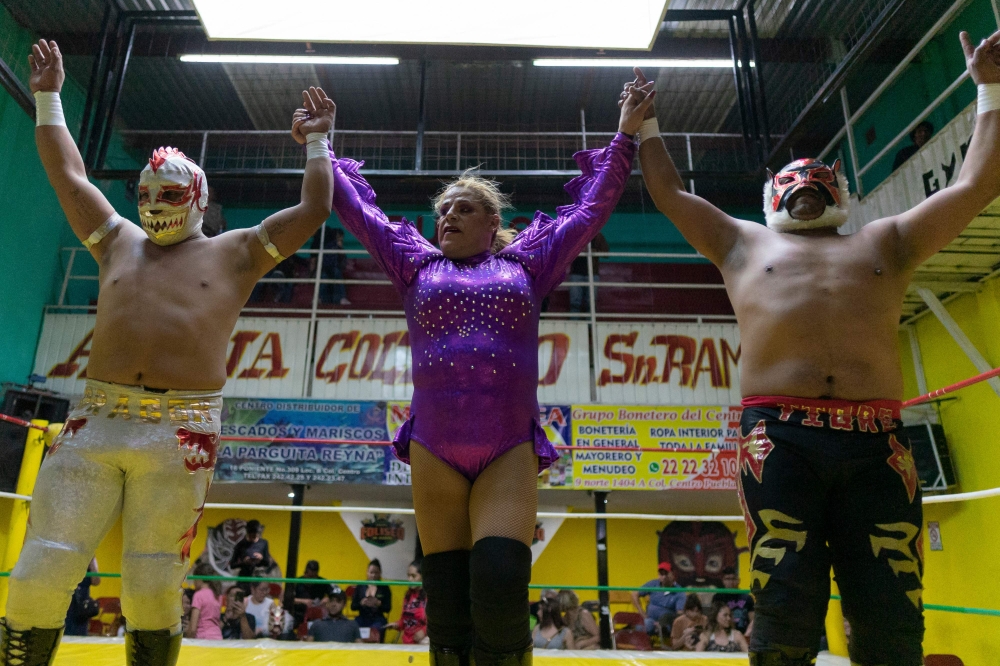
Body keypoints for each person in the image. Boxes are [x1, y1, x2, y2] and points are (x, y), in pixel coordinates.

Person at [627, 27, 1000, 666]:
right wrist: (648, 125)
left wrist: (989, 89)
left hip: (875, 437)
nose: (804, 184)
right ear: (773, 193)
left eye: (816, 177)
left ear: (840, 189)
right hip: (779, 436)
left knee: (892, 603)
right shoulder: (742, 243)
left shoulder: (886, 241)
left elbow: (975, 187)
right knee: (784, 603)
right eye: (791, 180)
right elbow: (670, 195)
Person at [1, 38, 335, 666]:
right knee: (41, 568)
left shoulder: (237, 253)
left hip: (183, 429)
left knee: (154, 586)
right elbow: (67, 174)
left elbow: (315, 208)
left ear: (199, 197)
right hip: (94, 419)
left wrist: (318, 143)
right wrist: (48, 97)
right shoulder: (114, 241)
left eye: (169, 195)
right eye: (147, 194)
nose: (154, 206)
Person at [320, 79, 649, 666]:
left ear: (493, 220)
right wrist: (320, 143)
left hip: (505, 447)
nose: (447, 216)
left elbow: (592, 208)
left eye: (463, 208)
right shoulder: (413, 264)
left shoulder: (530, 262)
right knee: (446, 605)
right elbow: (358, 210)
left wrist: (625, 133)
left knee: (498, 583)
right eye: (442, 209)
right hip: (434, 448)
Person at [631, 562, 686, 638]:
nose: (663, 577)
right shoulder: (653, 584)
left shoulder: (679, 592)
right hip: (650, 619)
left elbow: (680, 614)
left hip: (667, 623)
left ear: (672, 575)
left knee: (651, 625)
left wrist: (663, 622)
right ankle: (643, 647)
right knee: (643, 625)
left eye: (666, 573)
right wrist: (642, 614)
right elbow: (634, 594)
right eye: (660, 574)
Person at [385, 560, 428, 645]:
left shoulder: (429, 596)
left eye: (413, 576)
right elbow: (403, 621)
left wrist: (424, 631)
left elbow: (436, 624)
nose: (409, 579)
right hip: (407, 642)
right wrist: (396, 625)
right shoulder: (408, 595)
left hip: (423, 642)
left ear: (422, 576)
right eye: (408, 576)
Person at [350, 558, 392, 642]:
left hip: (378, 619)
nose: (373, 575)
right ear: (367, 572)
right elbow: (353, 606)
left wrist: (378, 604)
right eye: (371, 572)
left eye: (376, 573)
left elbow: (388, 608)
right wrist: (361, 603)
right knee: (352, 627)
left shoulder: (385, 588)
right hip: (362, 618)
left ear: (380, 573)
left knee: (374, 632)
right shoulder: (360, 586)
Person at [567, 231, 608, 314]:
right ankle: (576, 325)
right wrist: (577, 250)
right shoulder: (574, 236)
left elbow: (606, 253)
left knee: (590, 303)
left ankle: (589, 326)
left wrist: (593, 252)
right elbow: (565, 252)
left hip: (591, 274)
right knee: (575, 303)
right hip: (577, 273)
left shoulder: (597, 236)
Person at [230, 520, 275, 590]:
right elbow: (232, 564)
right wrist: (244, 562)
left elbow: (267, 563)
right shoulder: (240, 544)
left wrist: (260, 559)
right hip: (244, 578)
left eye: (255, 535)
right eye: (251, 535)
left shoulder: (263, 543)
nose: (253, 538)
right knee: (242, 597)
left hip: (258, 578)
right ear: (247, 533)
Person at [312, 226, 351, 305]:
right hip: (326, 269)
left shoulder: (333, 246)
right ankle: (320, 298)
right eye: (340, 238)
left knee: (333, 275)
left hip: (330, 269)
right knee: (326, 277)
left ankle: (320, 298)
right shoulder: (329, 245)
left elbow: (342, 261)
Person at [711, 568, 754, 638]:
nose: (731, 582)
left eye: (733, 579)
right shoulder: (717, 597)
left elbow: (753, 620)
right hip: (723, 636)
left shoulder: (747, 598)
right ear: (723, 581)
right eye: (727, 579)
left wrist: (746, 636)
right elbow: (713, 620)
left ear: (738, 580)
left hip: (744, 634)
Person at [64, 558, 101, 636]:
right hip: (66, 598)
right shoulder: (65, 556)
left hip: (81, 602)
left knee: (80, 630)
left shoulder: (89, 557)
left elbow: (96, 581)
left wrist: (91, 562)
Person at [186, 564, 223, 640]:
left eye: (194, 579)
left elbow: (193, 629)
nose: (194, 583)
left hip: (203, 638)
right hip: (218, 637)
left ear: (199, 578)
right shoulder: (218, 595)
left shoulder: (198, 595)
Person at [292, 560, 330, 627]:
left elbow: (337, 594)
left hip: (317, 615)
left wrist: (327, 599)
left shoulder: (323, 582)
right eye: (309, 577)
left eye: (314, 577)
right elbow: (286, 598)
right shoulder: (296, 582)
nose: (311, 580)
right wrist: (303, 601)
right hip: (299, 614)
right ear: (304, 574)